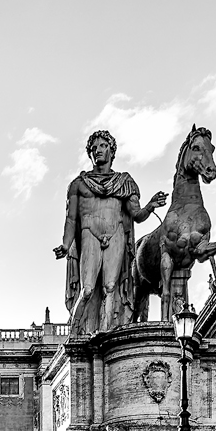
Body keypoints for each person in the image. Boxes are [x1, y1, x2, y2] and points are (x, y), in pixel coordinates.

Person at [54, 130, 166, 336]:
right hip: (89, 233)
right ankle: (74, 332)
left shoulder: (124, 182)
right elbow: (70, 219)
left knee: (111, 287)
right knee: (87, 289)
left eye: (103, 146)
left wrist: (151, 205)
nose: (98, 151)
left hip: (115, 235)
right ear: (89, 154)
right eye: (94, 148)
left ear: (111, 151)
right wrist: (65, 244)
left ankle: (105, 335)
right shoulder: (78, 184)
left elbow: (136, 215)